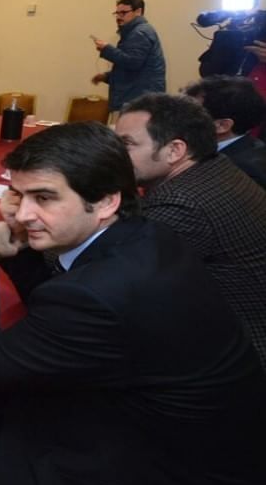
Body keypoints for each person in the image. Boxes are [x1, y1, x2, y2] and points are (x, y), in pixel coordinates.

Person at [0, 121, 266, 485]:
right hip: (191, 432)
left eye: (44, 198)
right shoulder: (146, 235)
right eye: (18, 195)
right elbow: (59, 293)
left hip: (162, 468)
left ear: (107, 201)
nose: (24, 213)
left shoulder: (98, 294)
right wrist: (21, 246)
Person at [114, 93, 266, 369]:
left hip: (236, 358)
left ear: (175, 151)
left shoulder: (181, 202)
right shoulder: (214, 169)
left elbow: (113, 277)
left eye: (126, 144)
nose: (114, 154)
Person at [184, 75, 266, 188]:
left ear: (222, 125)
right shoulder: (208, 144)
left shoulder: (242, 170)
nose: (179, 116)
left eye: (191, 112)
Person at [89, 0, 166, 115]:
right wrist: (106, 77)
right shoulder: (135, 32)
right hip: (138, 98)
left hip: (138, 102)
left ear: (138, 11)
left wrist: (107, 49)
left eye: (123, 13)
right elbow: (132, 69)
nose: (119, 17)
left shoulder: (139, 33)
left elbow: (132, 62)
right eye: (117, 13)